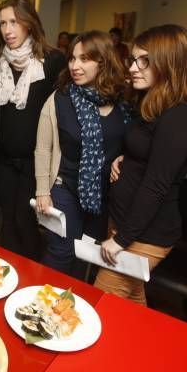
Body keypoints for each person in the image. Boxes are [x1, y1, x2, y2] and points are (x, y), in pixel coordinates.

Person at [98, 24, 187, 305]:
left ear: (170, 64)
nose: (133, 67)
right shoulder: (153, 104)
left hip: (145, 233)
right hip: (127, 222)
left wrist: (121, 240)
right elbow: (145, 150)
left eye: (144, 61)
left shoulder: (180, 117)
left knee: (104, 301)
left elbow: (156, 185)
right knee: (130, 302)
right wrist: (127, 157)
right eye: (133, 59)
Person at [35, 31, 129, 278]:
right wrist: (42, 190)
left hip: (103, 198)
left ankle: (70, 310)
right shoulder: (60, 99)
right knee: (61, 253)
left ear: (103, 61)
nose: (75, 66)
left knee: (86, 257)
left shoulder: (123, 104)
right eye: (72, 59)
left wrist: (124, 158)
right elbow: (43, 148)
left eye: (84, 59)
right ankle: (42, 305)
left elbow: (131, 144)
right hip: (64, 189)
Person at [0, 0, 66, 260]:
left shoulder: (53, 60)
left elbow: (62, 113)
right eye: (2, 23)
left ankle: (33, 275)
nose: (8, 30)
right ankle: (10, 273)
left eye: (14, 21)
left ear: (29, 23)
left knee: (26, 221)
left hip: (35, 161)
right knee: (7, 220)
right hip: (3, 159)